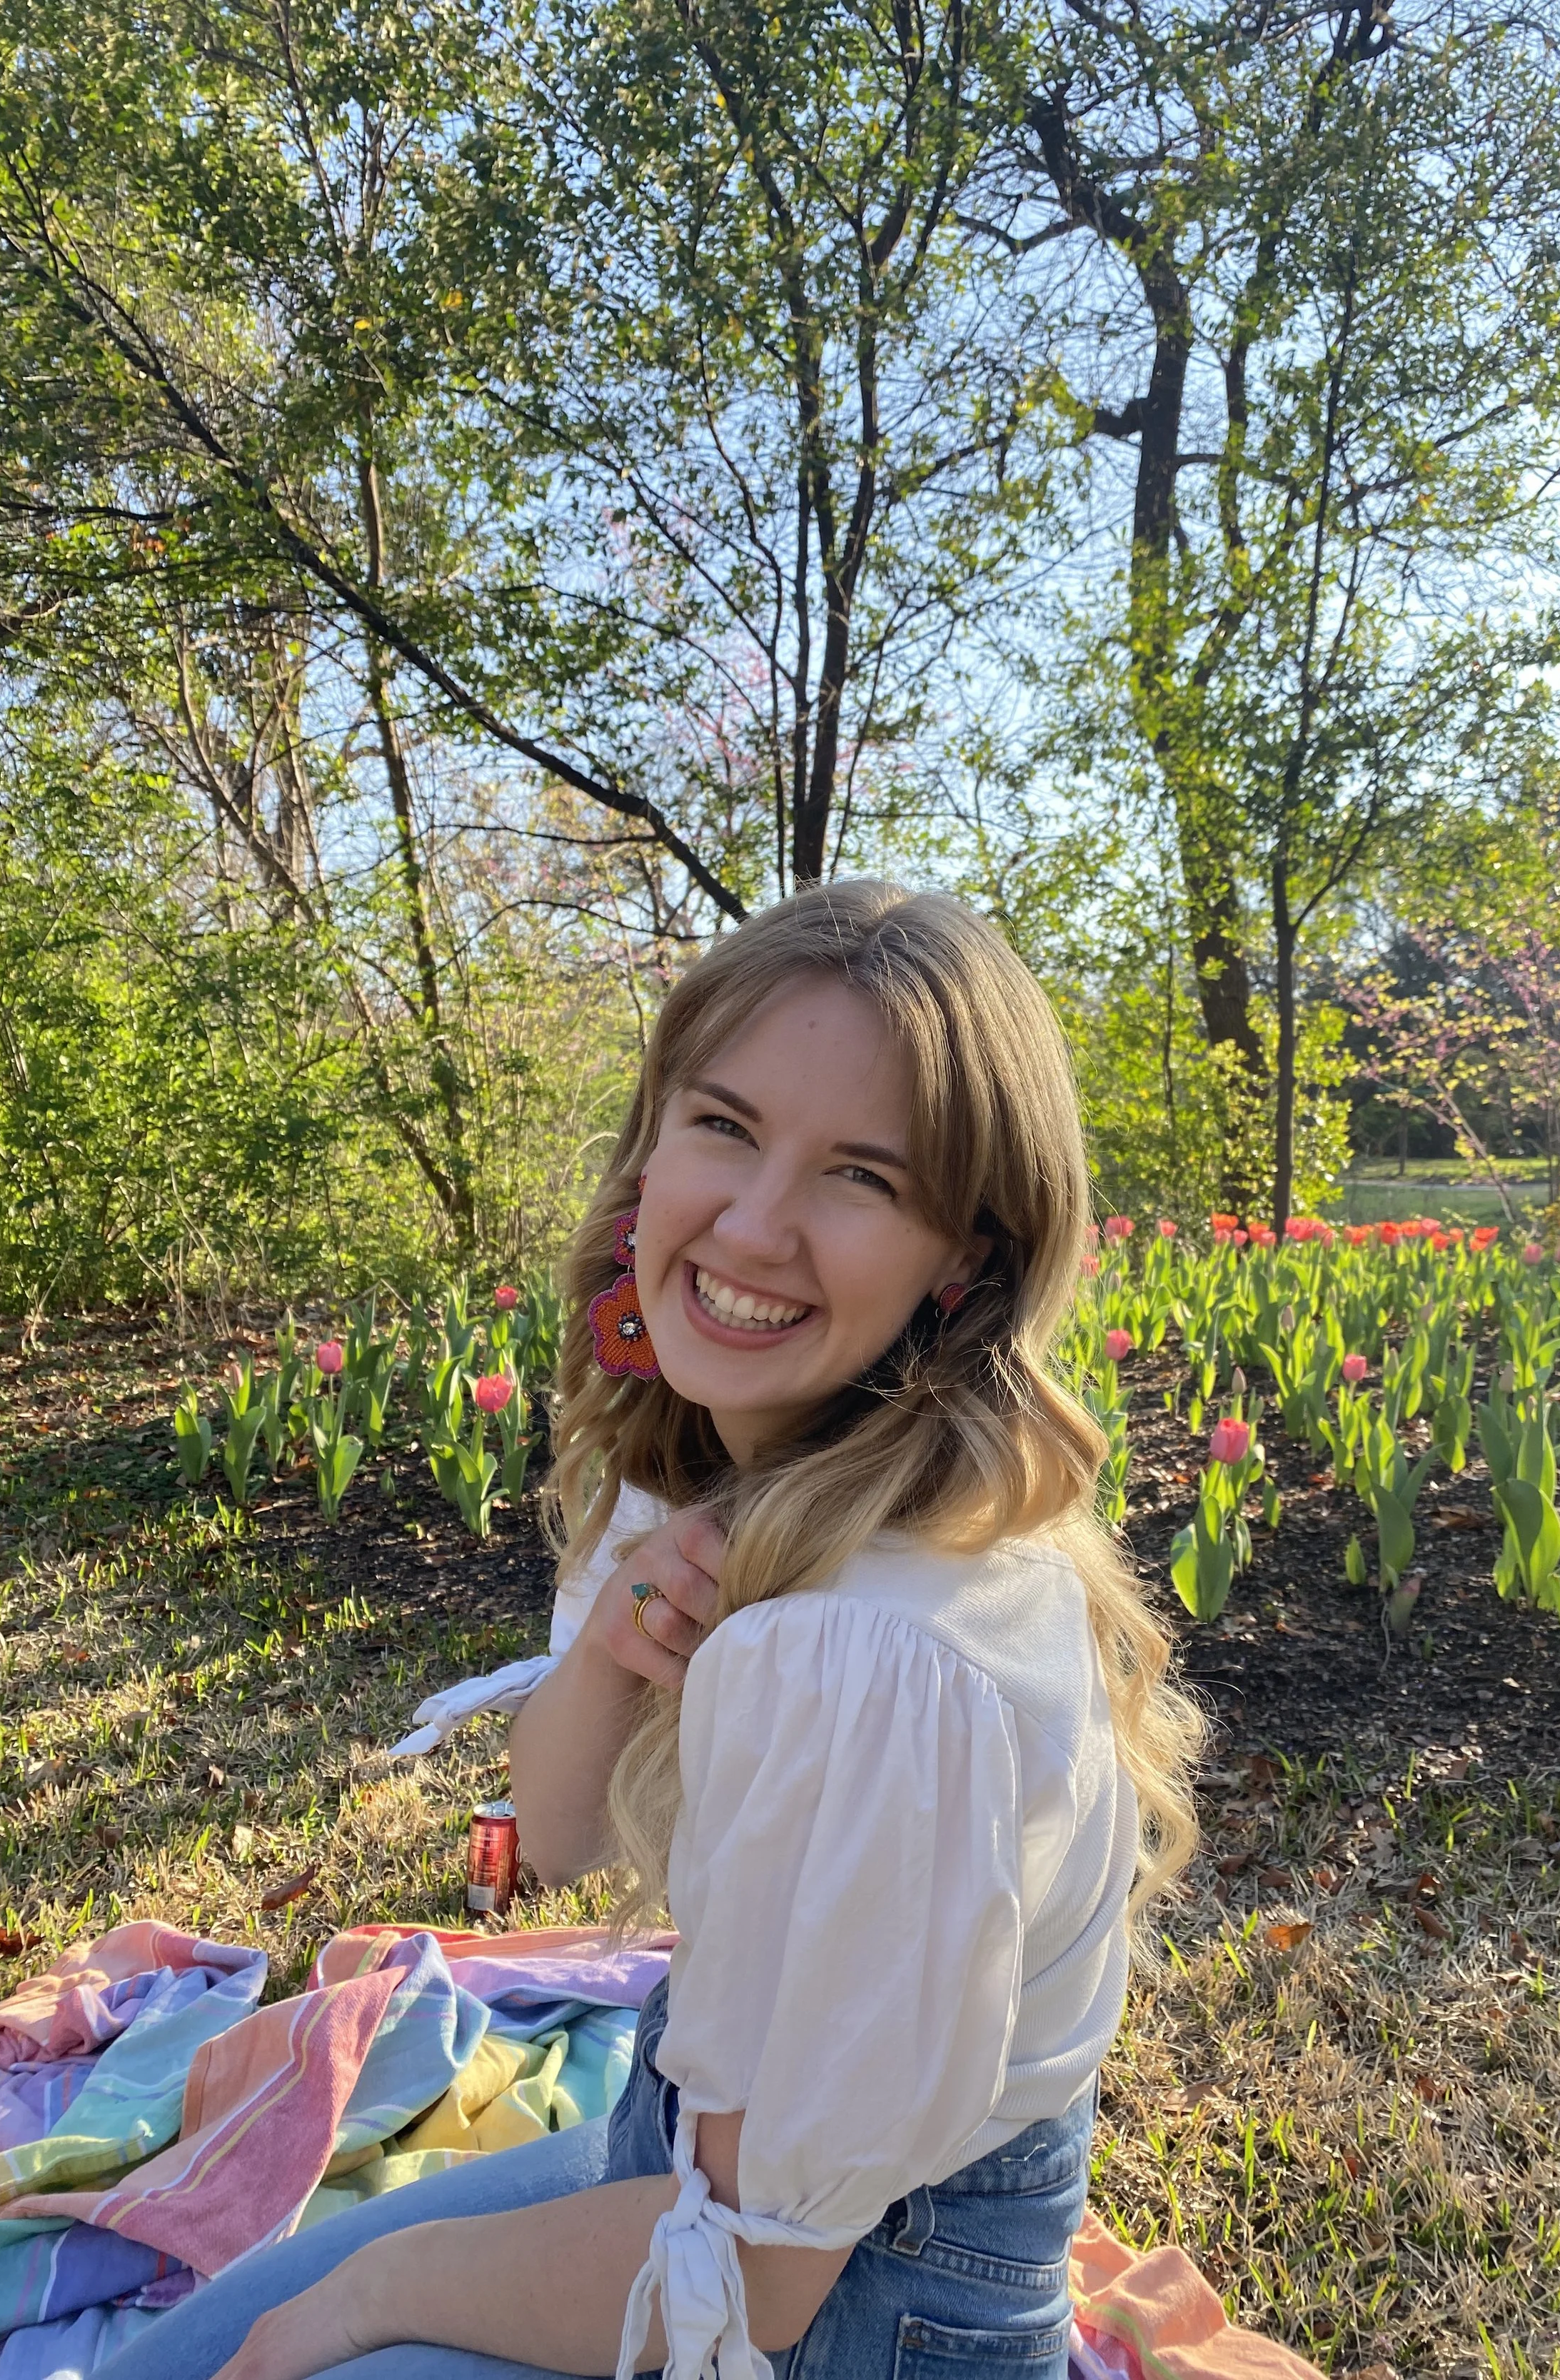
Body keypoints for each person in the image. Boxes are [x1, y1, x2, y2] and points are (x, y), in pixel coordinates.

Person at [98, 880, 1204, 2380]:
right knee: (186, 2355)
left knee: (309, 2332)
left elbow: (750, 2289)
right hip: (689, 2167)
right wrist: (621, 1638)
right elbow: (549, 1834)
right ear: (652, 1133)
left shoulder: (865, 1646)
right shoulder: (734, 1461)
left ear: (965, 1257)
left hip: (846, 2317)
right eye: (724, 1125)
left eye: (861, 1176)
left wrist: (370, 2296)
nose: (752, 1225)